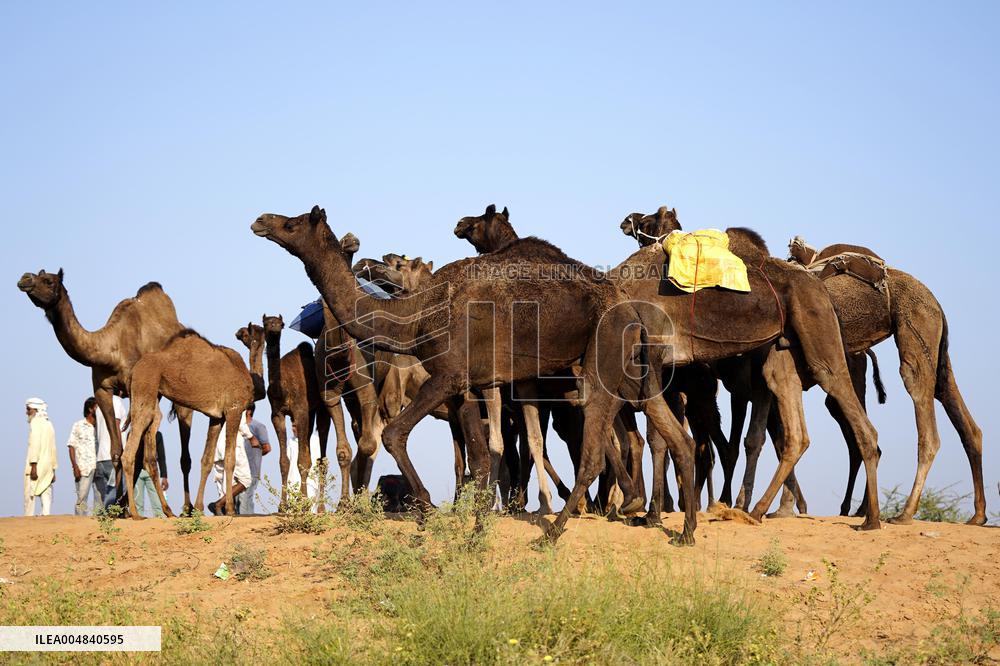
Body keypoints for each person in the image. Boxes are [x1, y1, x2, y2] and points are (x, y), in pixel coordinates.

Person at [208, 409, 261, 516]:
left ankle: (222, 509)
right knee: (245, 480)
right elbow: (241, 423)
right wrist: (251, 438)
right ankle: (219, 504)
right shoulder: (239, 403)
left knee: (225, 483)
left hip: (220, 446)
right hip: (234, 445)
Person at [24, 397, 57, 516]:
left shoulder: (35, 423)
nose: (26, 412)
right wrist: (53, 469)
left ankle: (28, 520)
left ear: (35, 409)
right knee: (46, 493)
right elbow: (53, 448)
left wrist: (33, 466)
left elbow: (35, 445)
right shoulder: (49, 424)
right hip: (47, 466)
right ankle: (46, 517)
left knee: (30, 495)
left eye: (28, 409)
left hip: (36, 465)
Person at [94, 388, 126, 508]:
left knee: (108, 491)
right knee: (115, 489)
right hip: (112, 455)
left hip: (101, 456)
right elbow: (116, 424)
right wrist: (119, 449)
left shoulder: (99, 405)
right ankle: (109, 515)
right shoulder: (116, 401)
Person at [66, 397, 98, 516]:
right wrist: (75, 466)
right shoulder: (78, 425)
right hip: (84, 467)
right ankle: (80, 524)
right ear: (90, 409)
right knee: (82, 498)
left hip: (99, 466)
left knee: (99, 499)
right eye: (97, 407)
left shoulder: (101, 426)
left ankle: (98, 525)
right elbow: (71, 446)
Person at [237, 404, 271, 515]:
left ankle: (245, 526)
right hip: (238, 470)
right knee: (237, 500)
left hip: (252, 470)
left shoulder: (258, 426)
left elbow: (267, 448)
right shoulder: (238, 426)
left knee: (245, 499)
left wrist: (255, 455)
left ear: (248, 411)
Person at [287, 422, 324, 509]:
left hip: (311, 480)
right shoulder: (291, 441)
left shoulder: (315, 440)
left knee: (311, 506)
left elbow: (319, 461)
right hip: (293, 479)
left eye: (295, 426)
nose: (293, 429)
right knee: (292, 507)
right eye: (292, 426)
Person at [133, 431, 169, 517]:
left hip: (152, 472)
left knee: (157, 504)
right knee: (138, 505)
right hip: (137, 472)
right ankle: (139, 527)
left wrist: (164, 476)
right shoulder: (133, 433)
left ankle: (160, 524)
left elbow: (161, 456)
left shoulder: (157, 434)